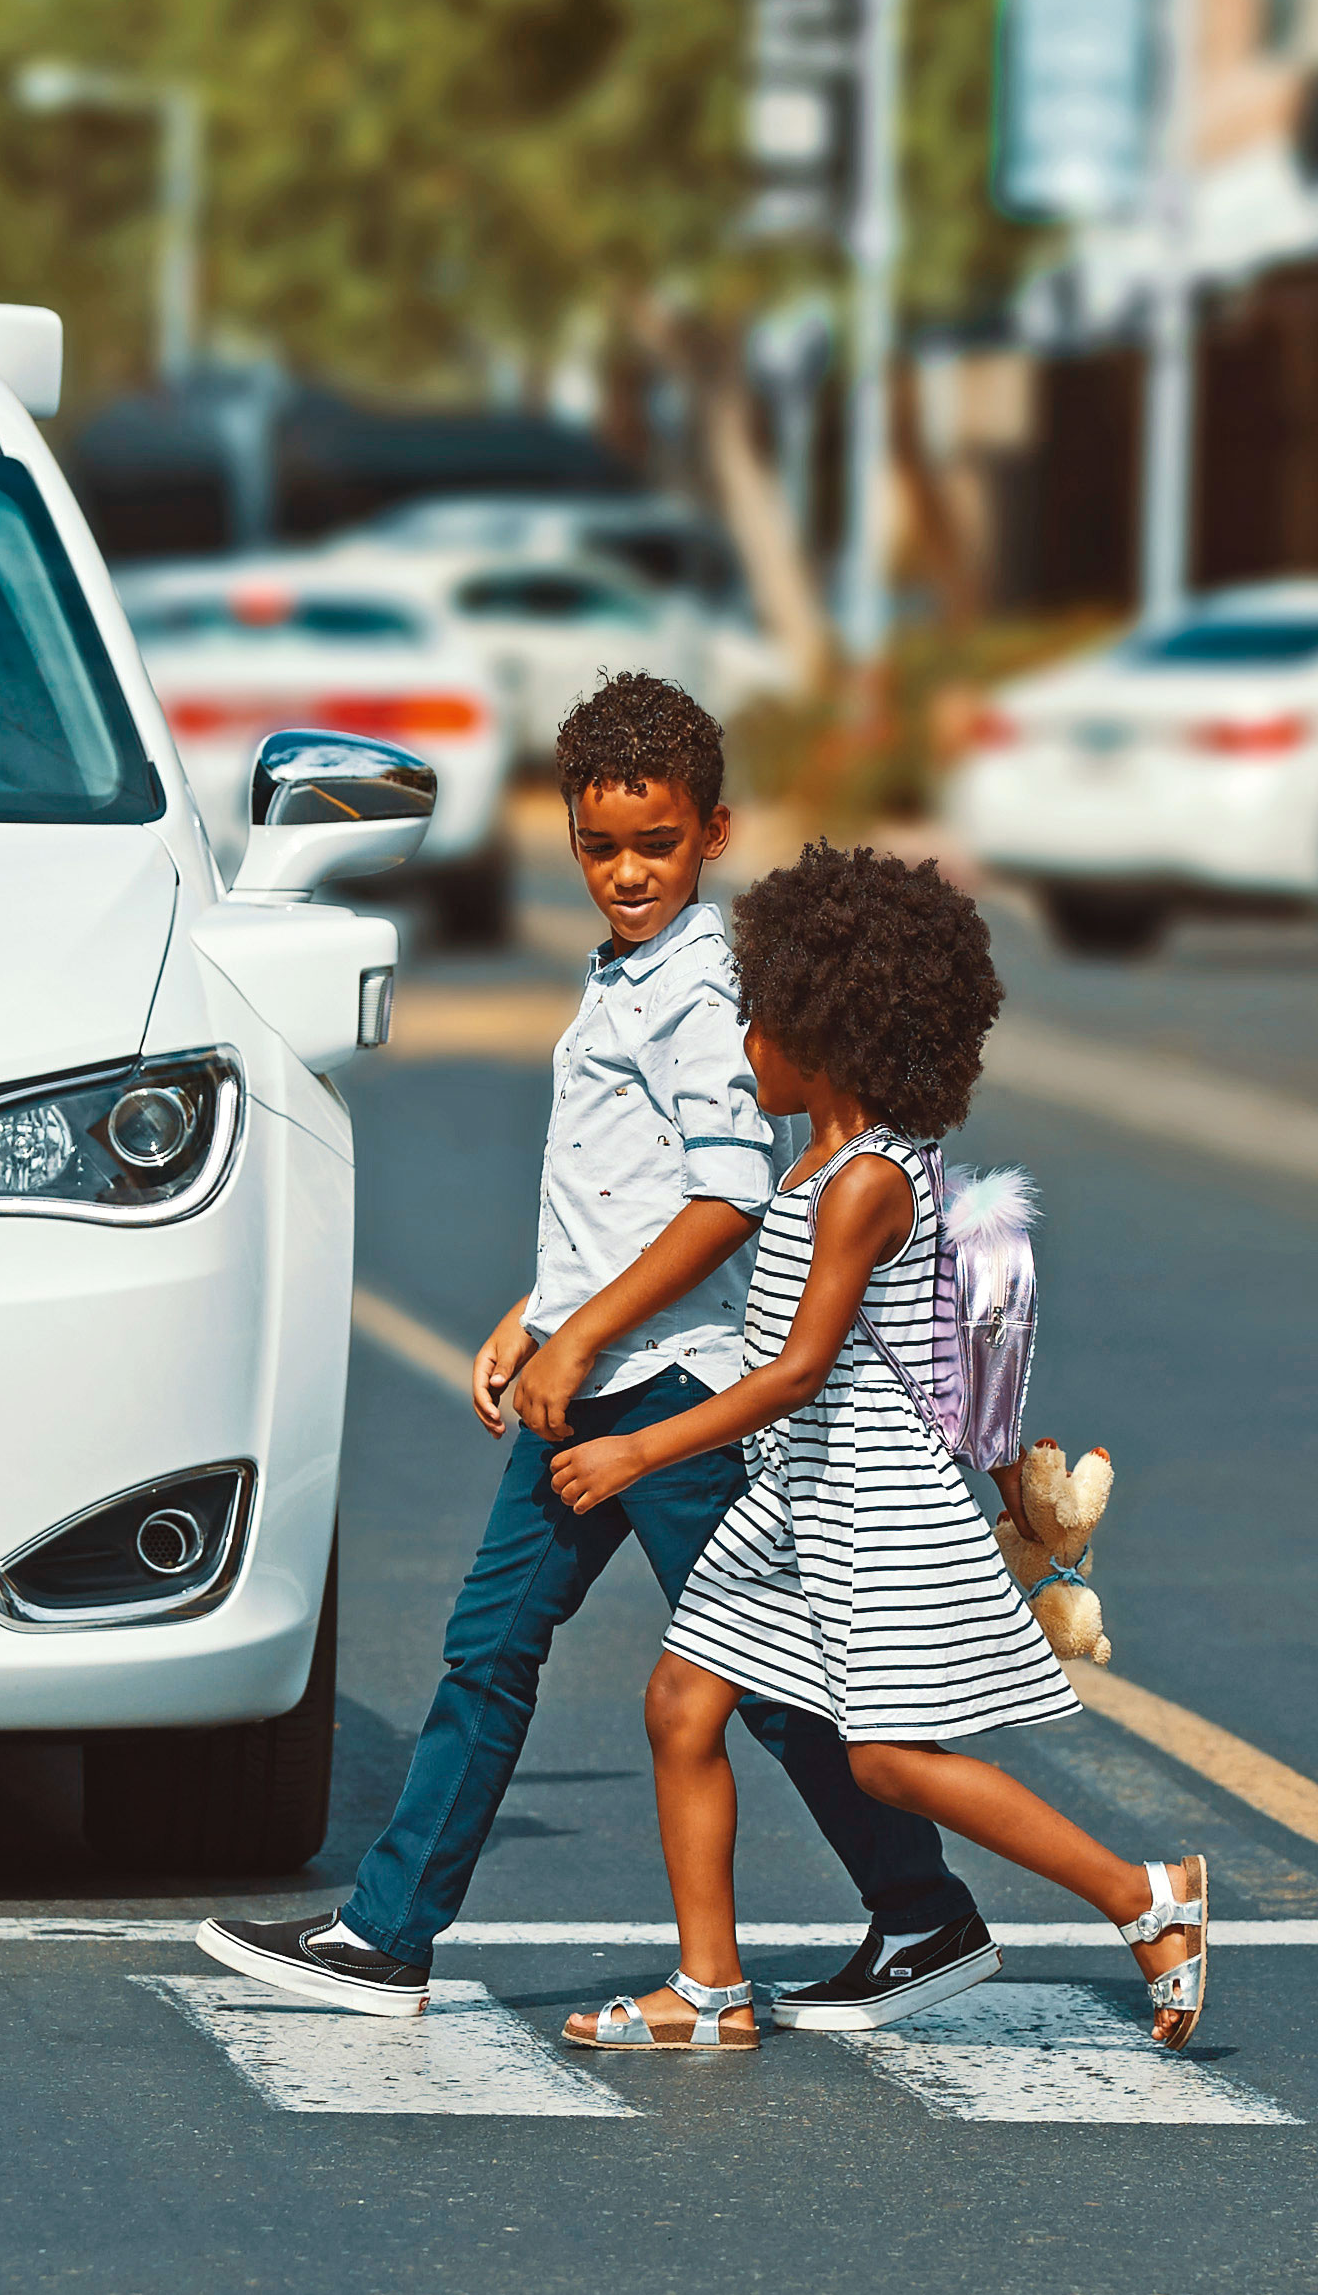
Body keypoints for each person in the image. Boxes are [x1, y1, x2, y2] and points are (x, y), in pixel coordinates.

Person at [196, 678, 998, 2031]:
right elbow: (618, 1190)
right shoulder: (628, 968)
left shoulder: (696, 989)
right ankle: (388, 1936)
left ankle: (923, 1911)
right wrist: (536, 1309)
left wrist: (583, 1328)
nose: (627, 873)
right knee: (491, 1650)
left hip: (668, 1385)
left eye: (658, 846)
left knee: (762, 1683)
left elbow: (724, 1195)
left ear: (713, 834)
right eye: (599, 846)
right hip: (598, 1364)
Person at [543, 844, 1213, 2054]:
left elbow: (798, 1370)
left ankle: (1144, 1896)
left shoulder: (863, 1182)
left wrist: (637, 1453)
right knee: (680, 1704)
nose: (743, 1046)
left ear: (827, 1031)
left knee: (891, 1762)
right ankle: (709, 1992)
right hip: (795, 1497)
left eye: (760, 1023)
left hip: (871, 1496)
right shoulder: (821, 1163)